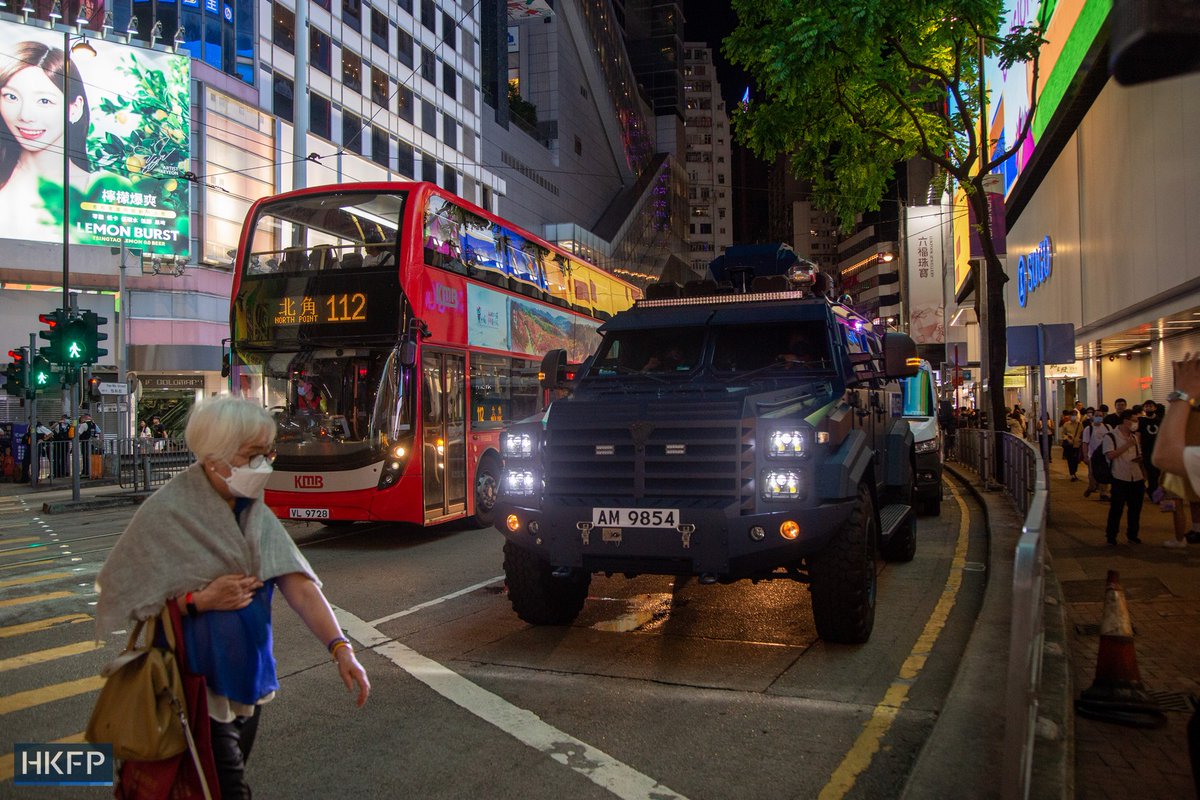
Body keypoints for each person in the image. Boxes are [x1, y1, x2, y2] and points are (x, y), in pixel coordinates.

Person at [95, 396, 370, 798]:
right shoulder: (167, 511)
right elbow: (133, 591)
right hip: (192, 690)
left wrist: (341, 648)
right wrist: (198, 601)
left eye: (265, 453)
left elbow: (298, 584)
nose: (262, 464)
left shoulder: (253, 511)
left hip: (248, 684)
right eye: (251, 455)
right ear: (214, 458)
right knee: (226, 789)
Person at [0, 41, 92, 241]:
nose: (25, 115)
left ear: (74, 108)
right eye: (11, 97)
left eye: (44, 101)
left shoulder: (99, 190)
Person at [1102, 409, 1146, 545]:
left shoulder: (1134, 437)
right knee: (1116, 508)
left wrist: (1140, 459)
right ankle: (1111, 535)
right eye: (1134, 420)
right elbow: (1110, 455)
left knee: (1135, 509)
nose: (1136, 423)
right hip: (1120, 476)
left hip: (1136, 476)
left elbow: (1138, 452)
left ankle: (1132, 534)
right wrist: (1127, 446)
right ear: (1126, 421)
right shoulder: (1111, 436)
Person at [1084, 410, 1112, 501]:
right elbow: (1085, 443)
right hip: (1093, 456)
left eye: (1100, 415)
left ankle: (1103, 493)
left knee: (1105, 474)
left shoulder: (1108, 427)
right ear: (1093, 416)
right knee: (1093, 475)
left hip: (1105, 455)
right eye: (1097, 415)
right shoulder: (1089, 429)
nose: (1099, 417)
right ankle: (1091, 487)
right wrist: (1085, 456)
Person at [1138, 399, 1163, 500]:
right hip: (1146, 450)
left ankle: (1154, 491)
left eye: (1150, 406)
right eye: (1146, 406)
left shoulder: (1160, 421)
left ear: (1155, 408)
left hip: (1158, 450)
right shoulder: (1141, 421)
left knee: (1157, 473)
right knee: (1151, 472)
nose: (1148, 408)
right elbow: (1138, 435)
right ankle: (1153, 493)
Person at [1060, 409, 1084, 481]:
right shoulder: (1066, 424)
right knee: (1070, 459)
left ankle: (1074, 472)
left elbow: (1082, 433)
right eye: (1072, 415)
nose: (1073, 417)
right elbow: (1063, 433)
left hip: (1077, 444)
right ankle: (1072, 474)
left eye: (1075, 415)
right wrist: (1067, 438)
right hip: (1069, 445)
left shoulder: (1080, 424)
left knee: (1076, 460)